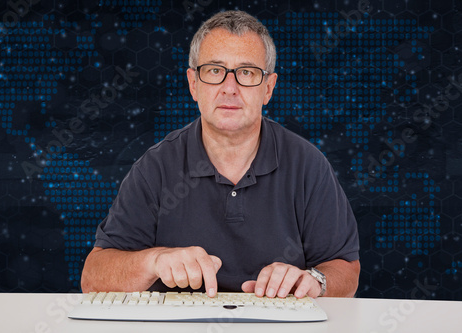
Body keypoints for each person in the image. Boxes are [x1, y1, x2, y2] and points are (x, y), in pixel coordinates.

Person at [81, 10, 360, 299]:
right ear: (193, 84)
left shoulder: (308, 166)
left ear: (268, 88)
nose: (230, 88)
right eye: (215, 71)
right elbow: (93, 277)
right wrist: (153, 260)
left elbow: (346, 269)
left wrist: (315, 280)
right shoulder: (156, 168)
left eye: (247, 73)